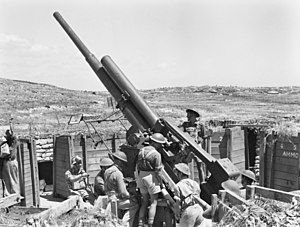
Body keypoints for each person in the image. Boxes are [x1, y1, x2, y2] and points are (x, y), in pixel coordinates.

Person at [135, 133, 166, 227]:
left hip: (141, 177)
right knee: (153, 202)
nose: (161, 146)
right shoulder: (156, 154)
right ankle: (150, 224)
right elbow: (158, 171)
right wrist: (161, 184)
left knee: (144, 201)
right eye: (160, 144)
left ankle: (140, 224)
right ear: (156, 143)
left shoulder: (141, 150)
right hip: (151, 177)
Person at [104, 151, 139, 227]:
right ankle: (124, 224)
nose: (123, 165)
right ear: (119, 161)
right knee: (135, 204)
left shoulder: (107, 171)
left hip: (109, 198)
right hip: (116, 200)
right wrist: (131, 196)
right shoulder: (118, 173)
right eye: (122, 163)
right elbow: (123, 193)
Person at [173, 163, 211, 227]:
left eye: (177, 173)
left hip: (188, 210)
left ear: (181, 173)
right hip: (199, 209)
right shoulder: (195, 183)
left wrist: (177, 213)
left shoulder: (178, 185)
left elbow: (178, 202)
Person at [1, 130, 20, 196]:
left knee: (13, 180)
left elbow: (13, 136)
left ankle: (15, 196)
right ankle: (10, 195)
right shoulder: (7, 142)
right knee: (7, 179)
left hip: (11, 161)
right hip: (6, 162)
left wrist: (10, 124)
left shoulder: (14, 141)